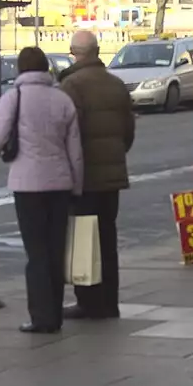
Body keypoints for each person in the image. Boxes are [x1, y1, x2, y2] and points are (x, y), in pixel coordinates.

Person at [0, 46, 84, 334]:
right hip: (60, 184)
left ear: (20, 69)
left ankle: (41, 317)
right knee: (55, 250)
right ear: (46, 69)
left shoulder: (12, 98)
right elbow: (75, 149)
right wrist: (76, 186)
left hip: (27, 185)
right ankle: (55, 312)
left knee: (36, 253)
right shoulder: (62, 99)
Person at [58, 29, 135, 320]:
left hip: (84, 176)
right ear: (98, 50)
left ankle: (88, 302)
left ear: (74, 52)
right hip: (112, 175)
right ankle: (109, 301)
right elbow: (128, 131)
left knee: (83, 239)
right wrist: (116, 155)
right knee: (107, 238)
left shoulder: (71, 84)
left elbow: (69, 133)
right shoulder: (116, 85)